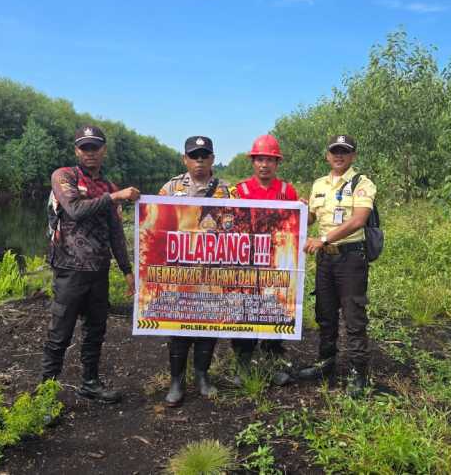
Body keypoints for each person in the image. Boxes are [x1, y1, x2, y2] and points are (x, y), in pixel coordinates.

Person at [41, 125, 140, 403]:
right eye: (84, 147)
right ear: (76, 150)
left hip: (99, 270)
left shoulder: (108, 186)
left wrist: (127, 270)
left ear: (103, 150)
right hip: (69, 270)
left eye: (95, 147)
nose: (90, 153)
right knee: (59, 334)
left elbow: (116, 232)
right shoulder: (64, 176)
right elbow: (74, 209)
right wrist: (114, 198)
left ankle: (90, 383)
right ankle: (45, 396)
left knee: (96, 330)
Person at [298, 135, 376, 398]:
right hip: (325, 259)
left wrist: (323, 239)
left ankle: (358, 372)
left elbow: (358, 220)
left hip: (350, 258)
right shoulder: (319, 184)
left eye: (344, 151)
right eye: (335, 151)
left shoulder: (361, 183)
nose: (339, 156)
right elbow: (310, 219)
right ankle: (326, 363)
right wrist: (299, 211)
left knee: (354, 316)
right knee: (325, 313)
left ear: (353, 156)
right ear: (327, 155)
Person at [158, 135, 231, 407]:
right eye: (193, 156)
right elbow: (153, 221)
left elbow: (240, 224)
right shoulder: (171, 187)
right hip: (181, 270)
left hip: (213, 270)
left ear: (212, 159)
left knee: (209, 324)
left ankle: (202, 375)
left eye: (204, 155)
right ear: (185, 159)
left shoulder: (226, 190)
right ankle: (176, 381)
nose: (199, 160)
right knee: (179, 325)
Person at [228, 134, 298, 387]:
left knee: (274, 311)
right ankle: (243, 364)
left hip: (276, 263)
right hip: (246, 263)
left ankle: (271, 363)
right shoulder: (238, 191)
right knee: (245, 311)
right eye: (259, 159)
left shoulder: (287, 191)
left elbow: (299, 225)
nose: (264, 165)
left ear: (277, 163)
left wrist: (305, 211)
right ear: (253, 162)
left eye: (270, 160)